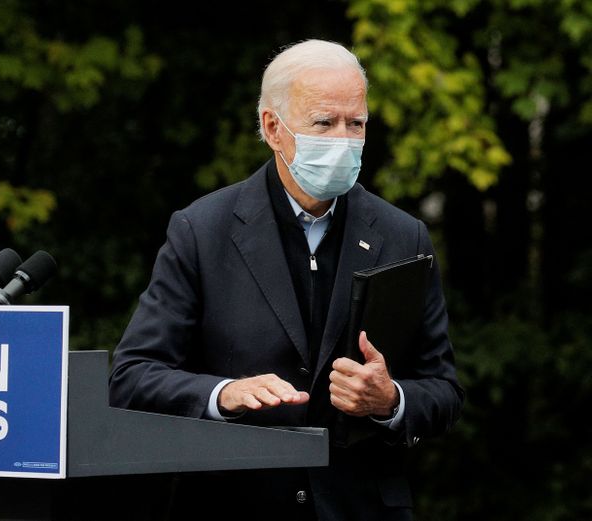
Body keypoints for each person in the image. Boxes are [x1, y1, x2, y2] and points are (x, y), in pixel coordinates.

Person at [109, 39, 463, 521]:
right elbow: (132, 376)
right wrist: (221, 395)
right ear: (273, 127)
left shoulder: (405, 236)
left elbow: (443, 389)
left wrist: (390, 400)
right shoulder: (202, 230)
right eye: (324, 123)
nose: (343, 139)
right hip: (235, 504)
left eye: (355, 123)